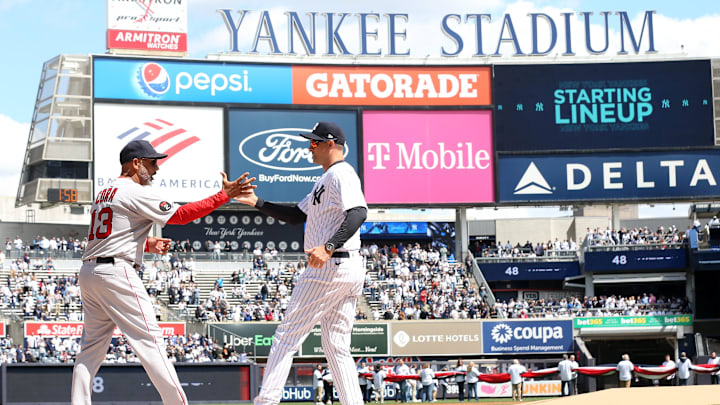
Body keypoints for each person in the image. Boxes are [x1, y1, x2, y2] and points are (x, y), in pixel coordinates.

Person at [71, 140, 255, 405]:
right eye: (152, 162)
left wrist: (145, 244)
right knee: (151, 342)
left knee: (89, 351)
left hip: (90, 272)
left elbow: (108, 235)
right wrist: (222, 196)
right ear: (136, 163)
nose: (156, 168)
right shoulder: (135, 190)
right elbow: (181, 215)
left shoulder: (104, 192)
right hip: (115, 273)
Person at [235, 122, 368, 405]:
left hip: (330, 266)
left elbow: (358, 212)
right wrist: (257, 201)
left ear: (330, 144)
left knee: (286, 336)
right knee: (336, 346)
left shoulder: (341, 173)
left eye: (315, 142)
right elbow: (297, 215)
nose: (310, 147)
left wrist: (329, 246)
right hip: (347, 267)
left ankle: (266, 401)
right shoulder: (326, 178)